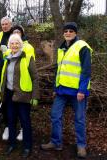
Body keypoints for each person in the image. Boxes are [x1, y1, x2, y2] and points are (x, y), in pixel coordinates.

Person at [40, 22, 92, 159]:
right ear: (63, 33)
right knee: (55, 116)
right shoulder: (62, 48)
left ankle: (81, 146)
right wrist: (55, 89)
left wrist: (82, 90)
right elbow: (60, 71)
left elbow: (86, 71)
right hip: (62, 91)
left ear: (75, 33)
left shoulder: (82, 47)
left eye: (71, 31)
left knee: (79, 119)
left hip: (77, 92)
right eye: (66, 31)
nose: (68, 33)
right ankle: (56, 142)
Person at [0, 34, 39, 158]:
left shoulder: (27, 58)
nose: (14, 45)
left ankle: (27, 147)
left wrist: (35, 96)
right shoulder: (7, 57)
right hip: (9, 94)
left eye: (17, 43)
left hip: (23, 95)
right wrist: (1, 93)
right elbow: (4, 77)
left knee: (25, 121)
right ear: (9, 45)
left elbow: (35, 78)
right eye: (12, 43)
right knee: (11, 120)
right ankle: (12, 144)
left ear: (20, 44)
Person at [0, 16, 12, 140]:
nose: (4, 26)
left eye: (6, 24)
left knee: (10, 98)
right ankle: (5, 121)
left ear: (10, 24)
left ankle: (10, 124)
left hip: (11, 69)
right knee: (2, 97)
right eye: (3, 24)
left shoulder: (14, 34)